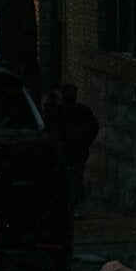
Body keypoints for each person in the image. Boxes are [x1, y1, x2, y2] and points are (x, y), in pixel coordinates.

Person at [47, 81, 99, 213]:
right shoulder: (82, 111)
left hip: (68, 150)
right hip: (76, 150)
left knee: (67, 177)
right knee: (75, 176)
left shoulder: (61, 112)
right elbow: (93, 128)